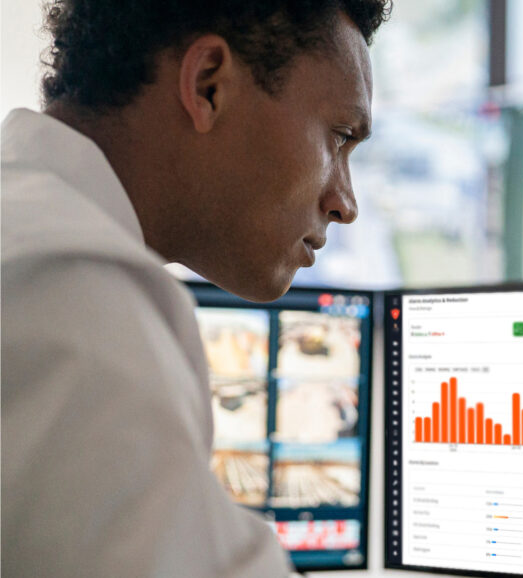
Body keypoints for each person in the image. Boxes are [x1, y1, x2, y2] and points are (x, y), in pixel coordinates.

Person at [1, 1, 388, 575]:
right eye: (338, 137)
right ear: (208, 84)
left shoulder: (31, 230)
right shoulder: (72, 299)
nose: (345, 203)